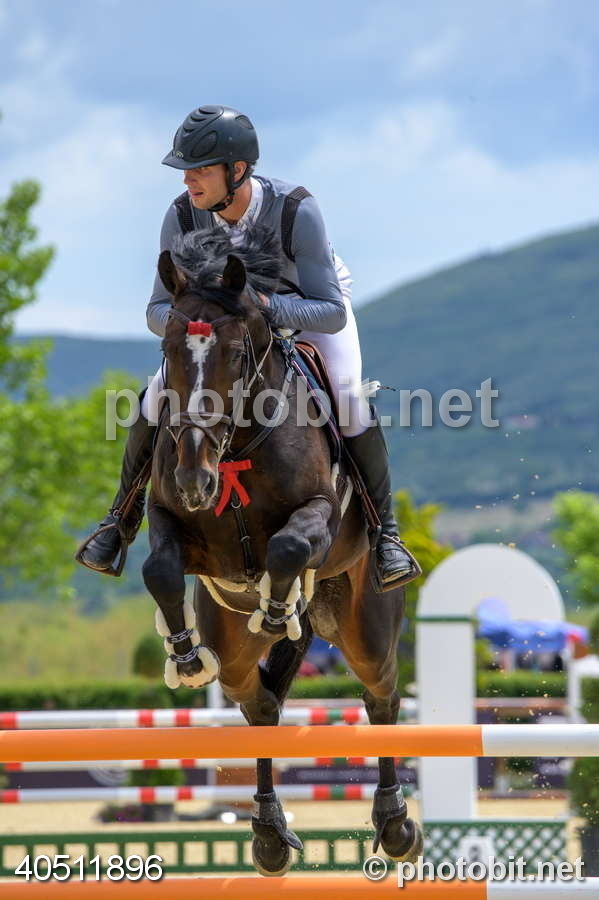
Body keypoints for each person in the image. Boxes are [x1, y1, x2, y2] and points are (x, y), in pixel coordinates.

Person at [77, 105, 420, 589]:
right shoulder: (181, 215)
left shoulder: (296, 209)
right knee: (155, 396)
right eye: (185, 171)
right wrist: (190, 326)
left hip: (305, 309)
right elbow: (157, 309)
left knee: (348, 398)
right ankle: (119, 521)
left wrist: (261, 308)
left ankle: (386, 535)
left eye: (200, 170)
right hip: (220, 333)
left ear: (237, 170)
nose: (188, 181)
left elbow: (331, 311)